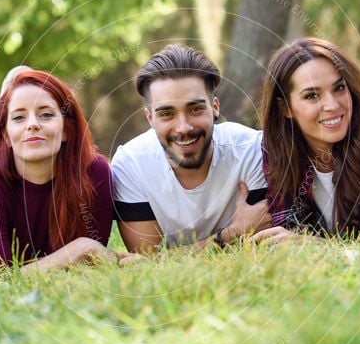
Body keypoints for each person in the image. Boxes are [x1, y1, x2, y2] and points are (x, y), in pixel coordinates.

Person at [111, 44, 270, 252]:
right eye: (167, 114)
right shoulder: (130, 164)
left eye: (195, 109)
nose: (184, 127)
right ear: (150, 118)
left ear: (214, 107)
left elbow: (263, 241)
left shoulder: (251, 149)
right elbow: (146, 262)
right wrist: (233, 233)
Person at [255, 37, 360, 241]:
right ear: (285, 108)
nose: (332, 105)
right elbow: (288, 229)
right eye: (312, 96)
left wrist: (317, 245)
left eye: (339, 88)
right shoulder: (278, 148)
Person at [0, 69, 116, 270]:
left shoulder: (95, 173)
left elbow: (94, 264)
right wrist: (82, 248)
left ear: (66, 130)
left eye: (46, 114)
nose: (32, 125)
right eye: (19, 117)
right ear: (4, 136)